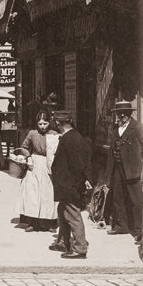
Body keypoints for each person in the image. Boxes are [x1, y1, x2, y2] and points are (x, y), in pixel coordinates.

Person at [49, 110, 89, 259]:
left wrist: (76, 185)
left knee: (73, 215)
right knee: (62, 211)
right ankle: (63, 242)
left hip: (69, 185)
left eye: (56, 123)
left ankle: (80, 248)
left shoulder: (71, 139)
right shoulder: (70, 136)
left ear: (60, 124)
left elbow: (77, 165)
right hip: (65, 183)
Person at [106, 98, 143, 239]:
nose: (122, 116)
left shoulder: (138, 127)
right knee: (118, 197)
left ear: (129, 113)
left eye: (125, 113)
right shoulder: (115, 128)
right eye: (119, 113)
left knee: (136, 200)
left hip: (132, 169)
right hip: (117, 168)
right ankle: (121, 226)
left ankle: (139, 230)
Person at [17, 110, 59, 232]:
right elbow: (24, 147)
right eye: (40, 124)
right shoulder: (32, 133)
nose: (42, 127)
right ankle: (33, 222)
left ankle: (49, 222)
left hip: (49, 164)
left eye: (45, 123)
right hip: (35, 164)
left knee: (48, 194)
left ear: (49, 122)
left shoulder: (54, 134)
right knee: (33, 194)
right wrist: (28, 157)